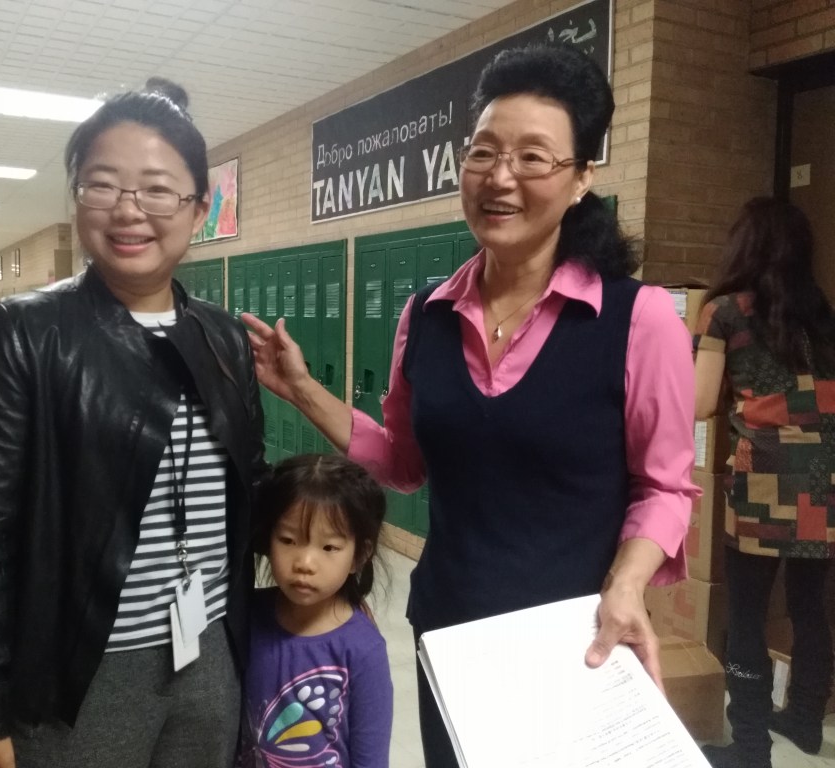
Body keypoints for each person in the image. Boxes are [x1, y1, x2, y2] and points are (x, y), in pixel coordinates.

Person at [243, 42, 698, 766]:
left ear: (582, 178)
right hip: (452, 635)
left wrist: (626, 584)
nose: (500, 177)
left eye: (532, 157)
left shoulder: (637, 321)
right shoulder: (426, 316)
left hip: (575, 639)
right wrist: (301, 387)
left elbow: (665, 487)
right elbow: (402, 462)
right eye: (484, 153)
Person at [0, 79, 267, 768]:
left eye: (158, 190)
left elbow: (246, 493)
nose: (128, 210)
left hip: (208, 650)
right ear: (77, 196)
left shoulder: (223, 337)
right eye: (102, 185)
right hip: (80, 674)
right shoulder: (23, 334)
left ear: (200, 206)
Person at [693, 197, 835, 768]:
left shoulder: (724, 313)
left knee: (747, 612)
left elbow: (700, 402)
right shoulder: (821, 313)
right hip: (825, 481)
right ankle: (805, 720)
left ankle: (750, 748)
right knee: (810, 607)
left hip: (764, 482)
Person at [239, 454, 393, 767]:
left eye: (329, 547)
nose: (305, 563)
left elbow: (371, 758)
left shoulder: (363, 650)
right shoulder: (248, 616)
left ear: (359, 555)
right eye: (288, 540)